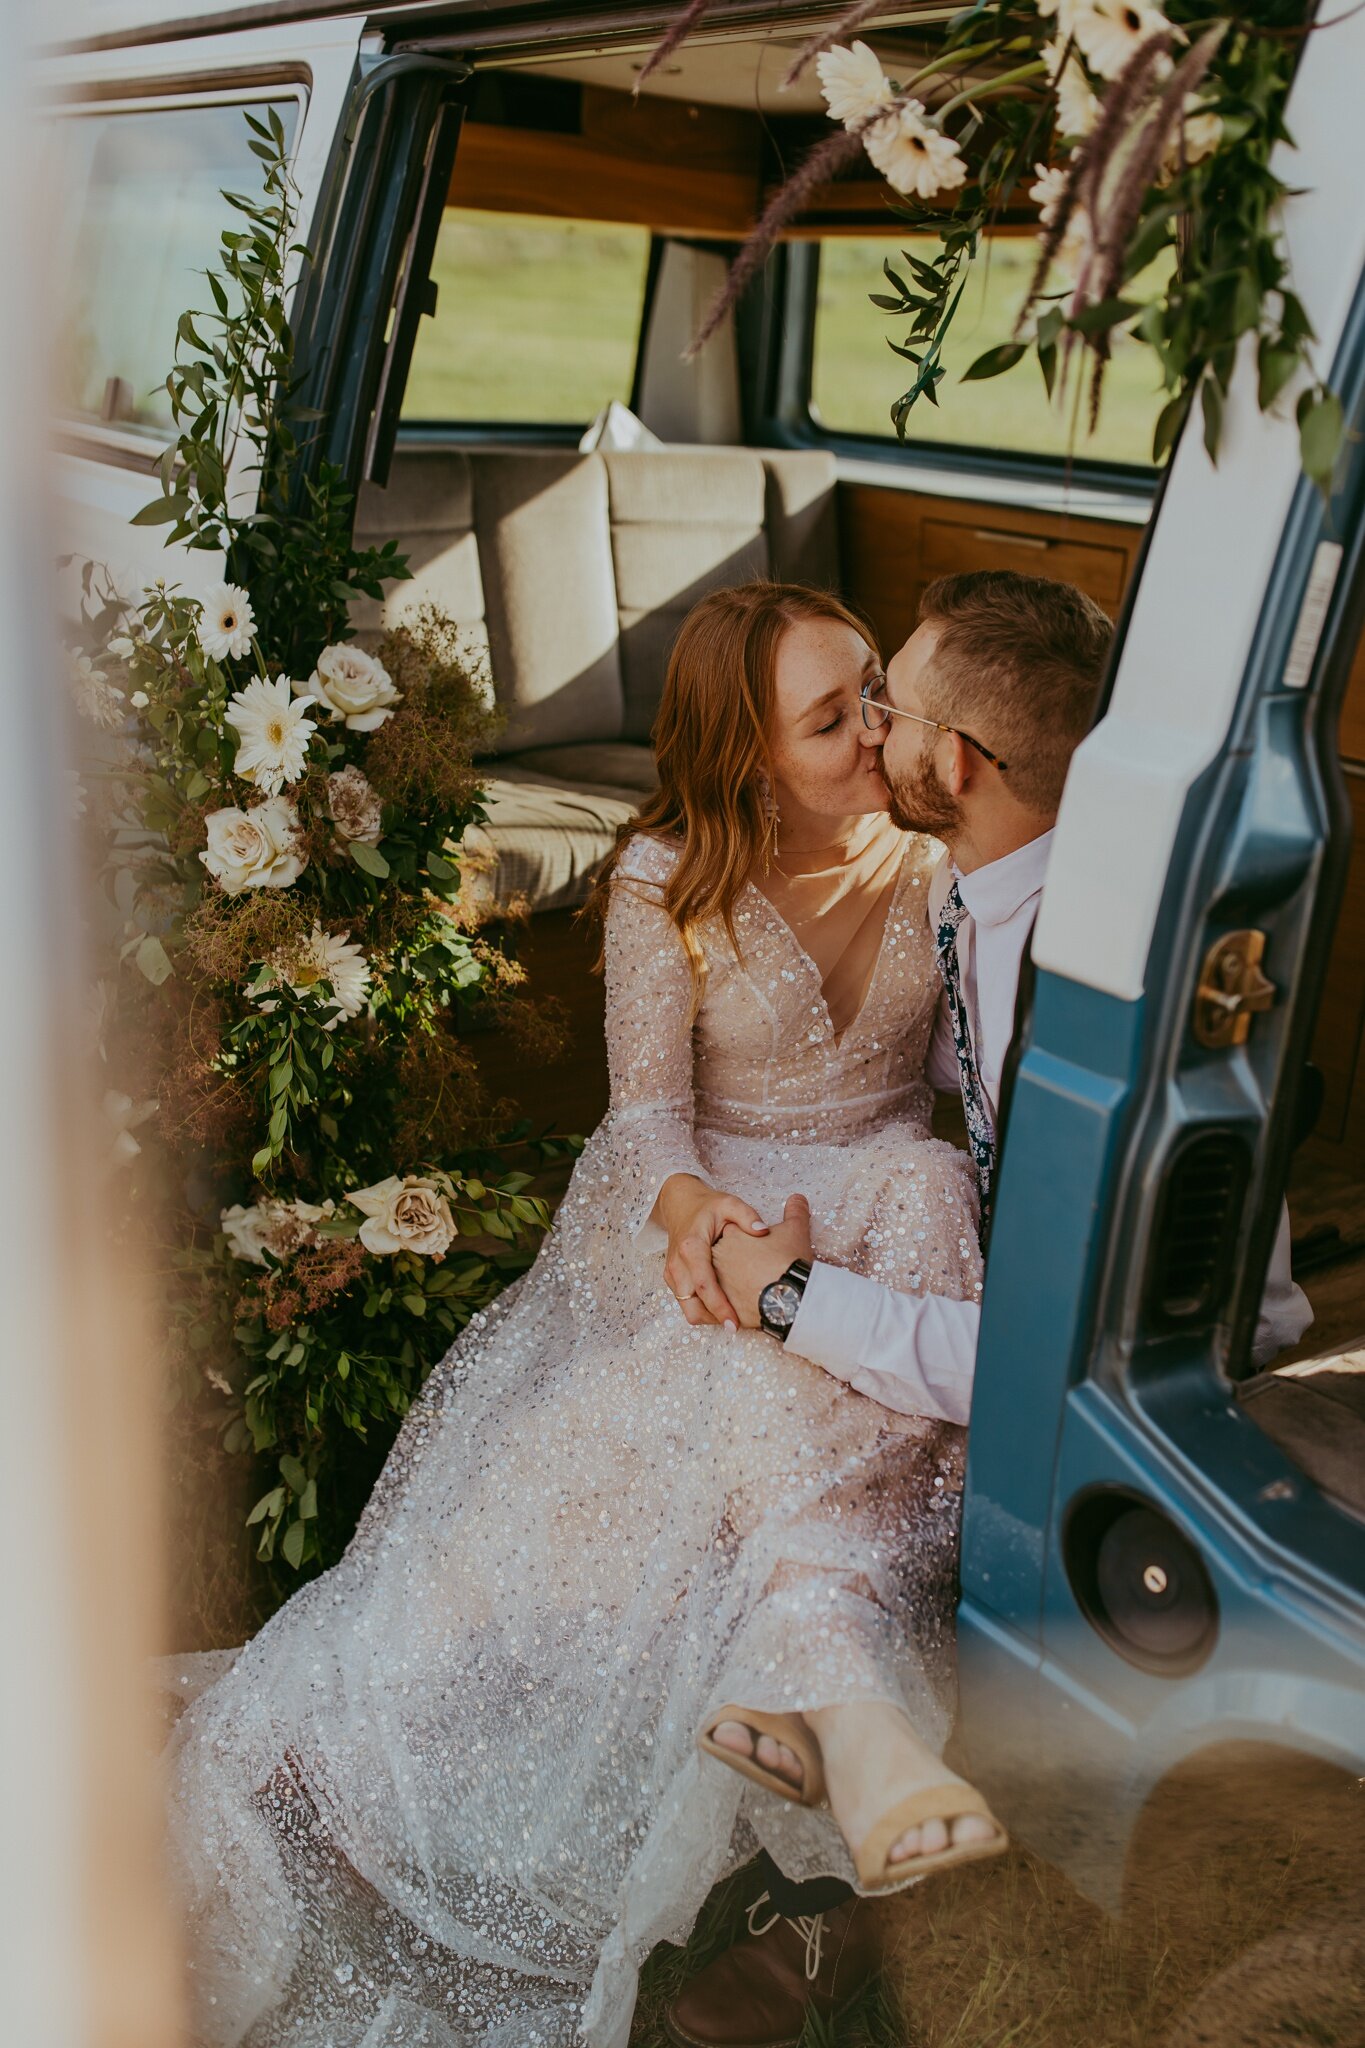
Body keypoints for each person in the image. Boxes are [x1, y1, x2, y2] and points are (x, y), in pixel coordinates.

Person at [163, 582, 1007, 2048]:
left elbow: (969, 1086)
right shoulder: (664, 876)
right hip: (706, 1224)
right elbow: (647, 1124)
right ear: (748, 759)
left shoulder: (938, 863)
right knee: (615, 1481)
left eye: (875, 689)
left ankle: (811, 1736)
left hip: (885, 1212)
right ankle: (398, 1780)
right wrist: (698, 1221)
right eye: (834, 717)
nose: (879, 730)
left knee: (867, 1341)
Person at [665, 569, 1313, 2048]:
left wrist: (794, 1295)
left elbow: (1058, 1371)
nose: (871, 724)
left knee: (771, 1407)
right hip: (1019, 1306)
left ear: (950, 765)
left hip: (1147, 1396)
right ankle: (818, 1744)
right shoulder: (1001, 887)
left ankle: (821, 1874)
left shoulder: (1100, 996)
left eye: (886, 704)